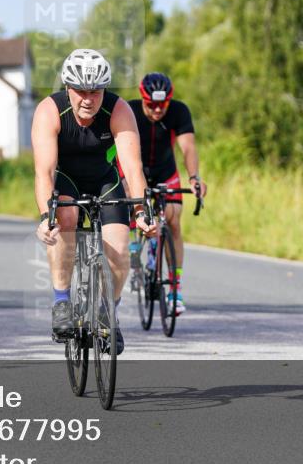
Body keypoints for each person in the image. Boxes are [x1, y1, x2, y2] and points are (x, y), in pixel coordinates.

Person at [32, 49, 156, 355]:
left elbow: (133, 167)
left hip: (104, 179)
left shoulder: (118, 110)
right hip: (66, 179)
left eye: (96, 92)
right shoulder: (49, 111)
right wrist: (46, 217)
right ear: (67, 88)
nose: (88, 99)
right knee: (65, 218)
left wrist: (142, 211)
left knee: (120, 251)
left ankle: (106, 312)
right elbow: (44, 171)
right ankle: (62, 301)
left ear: (105, 90)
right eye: (81, 91)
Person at [123, 72, 208, 315]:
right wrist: (122, 179)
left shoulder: (179, 111)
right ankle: (134, 249)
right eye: (152, 104)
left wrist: (194, 178)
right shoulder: (130, 111)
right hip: (135, 171)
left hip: (165, 172)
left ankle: (175, 288)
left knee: (173, 221)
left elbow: (188, 147)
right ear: (143, 99)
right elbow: (117, 147)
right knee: (130, 208)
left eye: (163, 104)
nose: (158, 109)